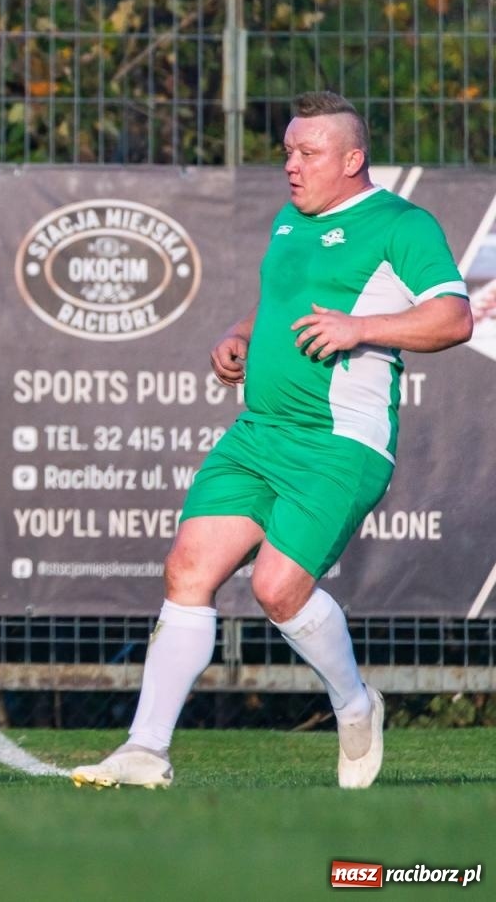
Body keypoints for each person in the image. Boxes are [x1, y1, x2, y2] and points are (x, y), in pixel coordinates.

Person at [72, 91, 473, 791]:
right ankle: (145, 749)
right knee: (187, 569)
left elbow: (454, 317)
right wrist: (239, 339)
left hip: (338, 443)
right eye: (287, 151)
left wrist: (361, 329)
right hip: (257, 433)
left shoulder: (401, 224)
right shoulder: (291, 221)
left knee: (278, 590)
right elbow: (276, 304)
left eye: (308, 153)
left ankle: (356, 704)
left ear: (352, 159)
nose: (291, 166)